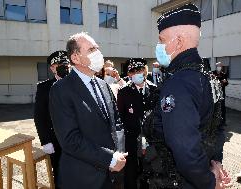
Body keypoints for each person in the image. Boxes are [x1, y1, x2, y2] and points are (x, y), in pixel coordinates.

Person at [152, 4, 231, 189]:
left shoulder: (178, 83)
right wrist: (216, 163)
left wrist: (209, 182)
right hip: (203, 170)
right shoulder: (209, 77)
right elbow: (218, 129)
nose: (159, 46)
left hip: (182, 181)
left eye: (161, 40)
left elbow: (184, 148)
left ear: (178, 42)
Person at [49, 32, 127, 189]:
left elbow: (116, 123)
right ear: (75, 58)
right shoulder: (60, 90)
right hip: (84, 178)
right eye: (91, 50)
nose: (98, 53)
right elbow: (70, 140)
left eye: (97, 48)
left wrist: (118, 155)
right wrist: (109, 159)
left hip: (113, 175)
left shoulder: (103, 84)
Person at [117, 58, 157, 189]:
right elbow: (120, 116)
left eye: (139, 70)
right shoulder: (124, 92)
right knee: (131, 171)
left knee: (149, 169)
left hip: (151, 139)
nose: (136, 74)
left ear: (145, 71)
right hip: (132, 138)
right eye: (132, 71)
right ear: (129, 74)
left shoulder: (154, 90)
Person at [34, 50, 70, 187]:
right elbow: (39, 116)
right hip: (56, 140)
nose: (63, 66)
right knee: (60, 173)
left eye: (66, 63)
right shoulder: (44, 88)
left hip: (78, 138)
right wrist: (45, 141)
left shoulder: (78, 84)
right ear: (52, 68)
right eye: (59, 64)